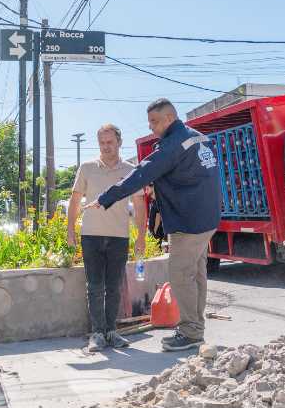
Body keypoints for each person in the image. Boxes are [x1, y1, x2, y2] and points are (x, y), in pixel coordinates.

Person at [87, 98, 220, 352]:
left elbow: (140, 174)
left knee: (181, 275)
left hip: (188, 221)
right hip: (208, 217)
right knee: (197, 274)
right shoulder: (199, 138)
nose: (151, 128)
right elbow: (190, 174)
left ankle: (191, 332)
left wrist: (105, 198)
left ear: (169, 118)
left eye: (154, 122)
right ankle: (196, 328)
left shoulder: (172, 145)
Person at [69, 124, 146, 352]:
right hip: (90, 236)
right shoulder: (87, 168)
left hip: (118, 236)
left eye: (110, 142)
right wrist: (70, 231)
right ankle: (97, 334)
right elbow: (74, 201)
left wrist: (141, 236)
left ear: (119, 142)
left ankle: (111, 332)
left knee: (114, 286)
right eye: (102, 143)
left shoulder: (131, 170)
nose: (105, 147)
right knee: (94, 286)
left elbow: (140, 204)